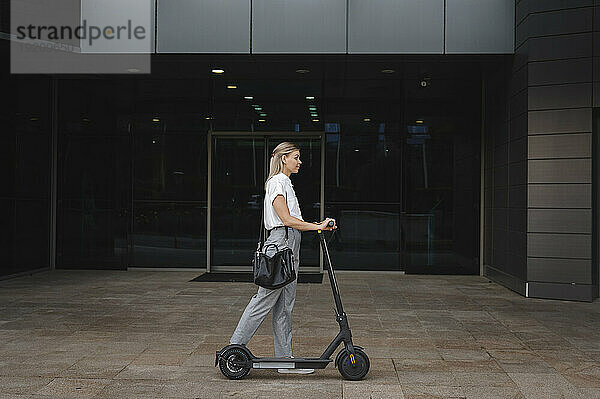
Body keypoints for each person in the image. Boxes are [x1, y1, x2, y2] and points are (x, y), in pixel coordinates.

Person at [229, 141, 336, 374]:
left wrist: (316, 226)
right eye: (296, 157)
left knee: (284, 306)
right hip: (281, 243)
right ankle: (234, 348)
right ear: (283, 158)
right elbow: (286, 219)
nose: (300, 161)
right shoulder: (277, 181)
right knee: (264, 299)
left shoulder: (285, 182)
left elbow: (292, 221)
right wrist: (316, 227)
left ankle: (285, 361)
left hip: (289, 242)